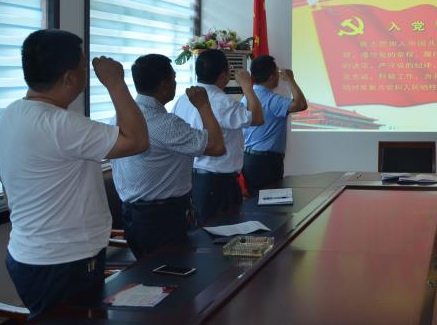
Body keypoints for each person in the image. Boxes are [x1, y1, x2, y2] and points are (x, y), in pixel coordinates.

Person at [0, 29, 149, 318]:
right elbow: (138, 141)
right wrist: (116, 83)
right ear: (68, 78)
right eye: (83, 67)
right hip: (63, 261)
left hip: (28, 254)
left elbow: (7, 183)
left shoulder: (9, 115)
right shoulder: (62, 124)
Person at [113, 54, 226, 259]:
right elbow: (217, 146)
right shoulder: (164, 124)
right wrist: (203, 106)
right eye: (174, 79)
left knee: (151, 274)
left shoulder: (119, 116)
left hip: (132, 215)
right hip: (162, 218)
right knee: (173, 273)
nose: (175, 83)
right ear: (164, 85)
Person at [173, 49, 263, 224]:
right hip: (218, 182)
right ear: (223, 76)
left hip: (192, 178)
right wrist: (247, 86)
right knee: (223, 231)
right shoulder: (224, 102)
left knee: (201, 232)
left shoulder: (182, 99)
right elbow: (258, 118)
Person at [242, 55, 308, 194]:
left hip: (249, 159)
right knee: (270, 203)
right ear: (271, 77)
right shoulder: (272, 100)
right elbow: (301, 104)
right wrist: (290, 79)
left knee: (255, 201)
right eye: (277, 72)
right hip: (266, 163)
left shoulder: (246, 97)